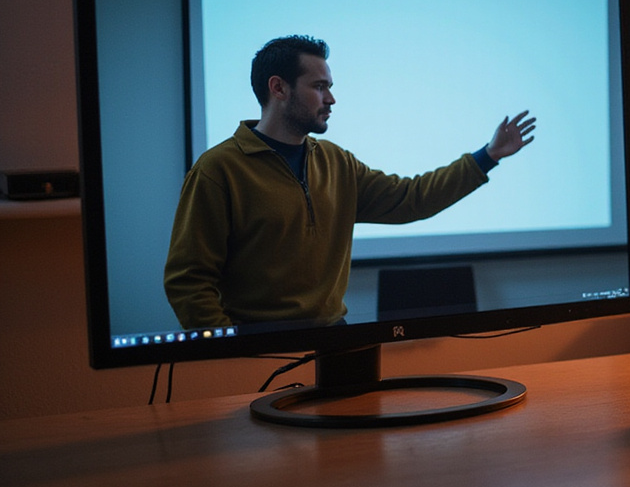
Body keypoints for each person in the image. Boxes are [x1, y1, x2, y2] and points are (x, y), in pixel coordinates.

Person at [164, 35, 537, 331]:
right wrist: (227, 350)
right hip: (257, 347)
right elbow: (188, 280)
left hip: (334, 338)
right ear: (278, 88)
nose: (331, 99)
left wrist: (488, 155)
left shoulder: (336, 162)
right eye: (319, 86)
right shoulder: (219, 170)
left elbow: (412, 199)